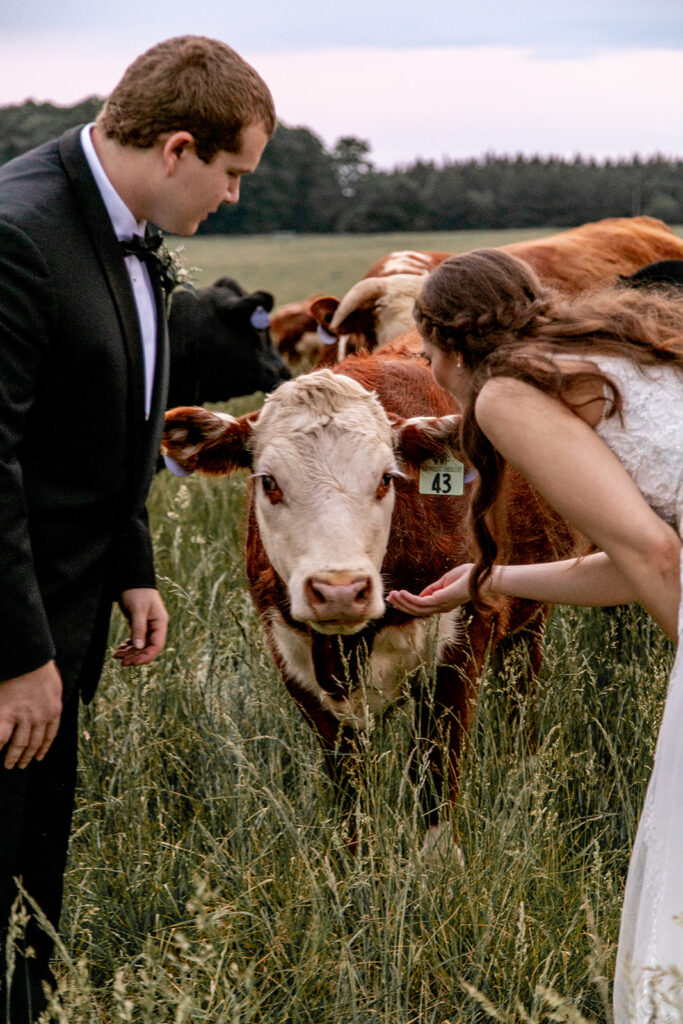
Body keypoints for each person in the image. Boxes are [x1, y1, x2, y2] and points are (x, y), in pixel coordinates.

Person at [0, 35, 274, 1021]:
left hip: (71, 607)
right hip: (13, 633)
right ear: (177, 149)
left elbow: (99, 424)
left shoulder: (126, 235)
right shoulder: (18, 231)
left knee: (33, 874)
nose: (235, 196)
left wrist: (133, 564)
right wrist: (17, 652)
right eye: (232, 172)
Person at [387, 248, 683, 1022]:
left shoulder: (504, 396)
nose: (426, 365)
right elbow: (626, 563)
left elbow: (657, 556)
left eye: (424, 350)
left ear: (447, 345)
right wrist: (488, 581)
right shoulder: (607, 349)